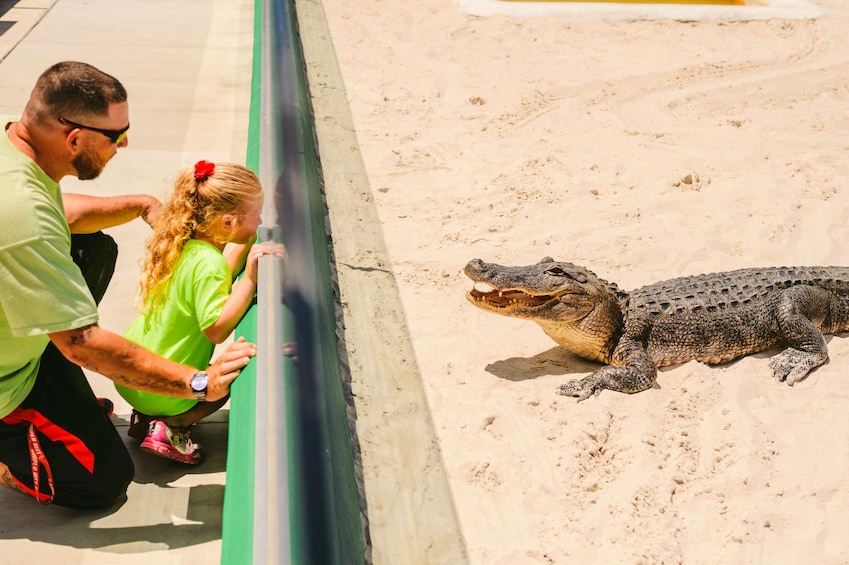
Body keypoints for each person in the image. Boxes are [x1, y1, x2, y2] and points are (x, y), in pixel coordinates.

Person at [0, 61, 256, 508]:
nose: (125, 143)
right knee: (103, 483)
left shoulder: (16, 155)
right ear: (74, 137)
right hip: (7, 381)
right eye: (116, 135)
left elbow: (60, 212)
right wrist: (197, 384)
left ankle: (54, 390)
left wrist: (142, 205)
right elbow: (81, 342)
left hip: (24, 341)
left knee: (93, 248)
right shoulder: (23, 217)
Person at [117, 160, 281, 464]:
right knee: (227, 380)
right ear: (228, 223)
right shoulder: (210, 264)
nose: (260, 221)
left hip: (133, 377)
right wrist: (250, 279)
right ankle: (171, 427)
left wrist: (245, 249)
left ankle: (144, 417)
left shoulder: (185, 246)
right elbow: (215, 328)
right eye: (256, 215)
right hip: (164, 389)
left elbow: (215, 281)